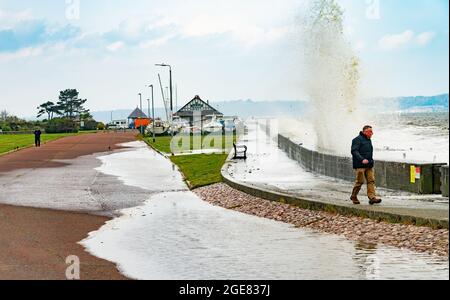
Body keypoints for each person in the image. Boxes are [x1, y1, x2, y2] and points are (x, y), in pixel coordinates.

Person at [350, 125, 382, 205]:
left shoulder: (368, 140)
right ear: (364, 132)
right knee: (360, 182)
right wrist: (362, 159)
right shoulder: (357, 140)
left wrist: (370, 161)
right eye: (370, 131)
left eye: (372, 131)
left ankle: (372, 198)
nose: (372, 133)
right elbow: (354, 151)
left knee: (371, 181)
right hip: (360, 165)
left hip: (369, 165)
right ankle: (353, 196)